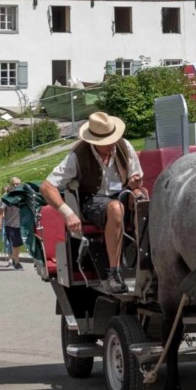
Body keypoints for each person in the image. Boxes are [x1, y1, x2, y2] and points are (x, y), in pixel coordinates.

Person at [41, 112, 144, 293]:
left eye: (113, 138)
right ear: (94, 141)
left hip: (121, 195)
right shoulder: (77, 155)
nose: (111, 144)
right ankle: (114, 272)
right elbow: (47, 187)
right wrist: (68, 213)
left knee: (143, 199)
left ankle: (147, 261)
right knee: (115, 207)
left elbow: (134, 180)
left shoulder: (124, 146)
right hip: (92, 202)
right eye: (106, 141)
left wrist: (135, 185)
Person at [0, 177, 25, 269]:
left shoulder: (22, 196)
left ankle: (14, 259)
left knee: (18, 244)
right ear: (10, 185)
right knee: (15, 244)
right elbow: (1, 210)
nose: (16, 185)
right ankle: (17, 262)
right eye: (14, 184)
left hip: (20, 224)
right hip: (10, 224)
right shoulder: (7, 197)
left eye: (18, 184)